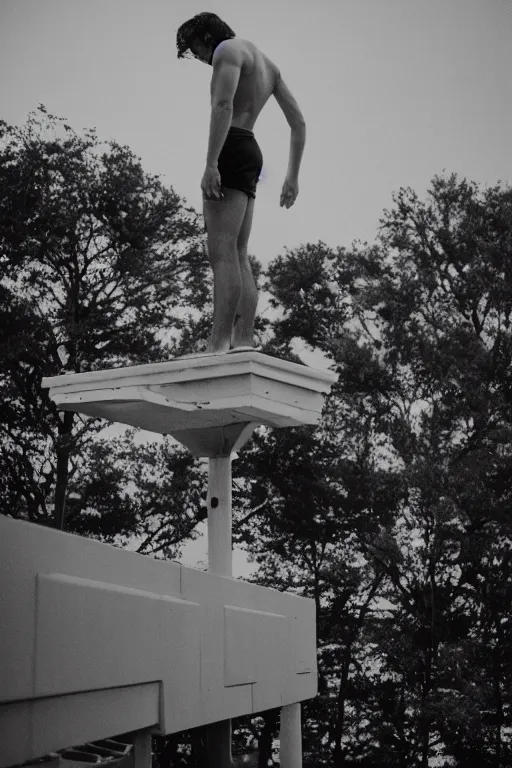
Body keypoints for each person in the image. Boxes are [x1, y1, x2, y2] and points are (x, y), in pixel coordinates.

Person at [177, 12, 307, 354]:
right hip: (251, 148)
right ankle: (244, 342)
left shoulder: (227, 51)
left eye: (196, 50)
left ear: (207, 37)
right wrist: (292, 176)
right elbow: (299, 124)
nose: (202, 59)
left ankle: (218, 344)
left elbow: (222, 105)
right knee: (238, 253)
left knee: (220, 252)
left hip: (230, 146)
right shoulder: (269, 66)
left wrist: (210, 163)